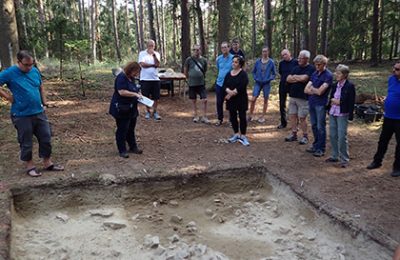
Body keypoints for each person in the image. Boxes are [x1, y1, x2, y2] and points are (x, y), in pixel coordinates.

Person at [0, 50, 64, 177]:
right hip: (21, 114)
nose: (29, 67)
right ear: (18, 62)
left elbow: (40, 86)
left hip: (39, 112)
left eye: (31, 64)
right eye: (26, 65)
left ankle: (47, 163)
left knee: (46, 137)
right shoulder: (9, 73)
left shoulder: (34, 71)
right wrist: (8, 97)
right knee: (26, 141)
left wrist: (44, 102)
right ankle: (30, 166)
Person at [367, 61, 400, 177]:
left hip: (399, 119)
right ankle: (377, 161)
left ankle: (397, 167)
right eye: (394, 68)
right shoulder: (392, 79)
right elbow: (392, 93)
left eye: (397, 69)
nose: (394, 71)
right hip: (388, 117)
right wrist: (386, 99)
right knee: (382, 141)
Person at [109, 61, 143, 158]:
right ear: (130, 70)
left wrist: (139, 93)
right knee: (122, 129)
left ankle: (133, 146)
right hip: (122, 108)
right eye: (135, 72)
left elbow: (135, 88)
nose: (136, 74)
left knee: (131, 128)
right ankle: (122, 150)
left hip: (132, 108)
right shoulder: (121, 77)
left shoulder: (131, 78)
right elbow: (122, 92)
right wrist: (135, 94)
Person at [325, 64, 355, 167]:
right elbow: (331, 97)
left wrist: (339, 102)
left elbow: (351, 101)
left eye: (338, 73)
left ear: (345, 74)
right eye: (336, 72)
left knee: (342, 136)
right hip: (333, 112)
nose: (336, 75)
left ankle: (344, 159)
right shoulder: (334, 85)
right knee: (333, 135)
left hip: (343, 113)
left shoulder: (350, 86)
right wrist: (330, 105)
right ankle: (334, 155)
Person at [304, 55, 333, 157]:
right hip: (312, 103)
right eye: (315, 64)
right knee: (314, 125)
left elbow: (321, 92)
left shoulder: (328, 75)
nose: (317, 66)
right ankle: (315, 145)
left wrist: (313, 90)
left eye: (319, 65)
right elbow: (306, 89)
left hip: (320, 104)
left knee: (321, 126)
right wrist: (314, 90)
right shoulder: (314, 73)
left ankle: (321, 148)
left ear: (324, 64)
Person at [285, 50, 315, 145]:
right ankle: (294, 134)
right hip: (293, 96)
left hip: (303, 98)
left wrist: (295, 77)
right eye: (298, 57)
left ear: (306, 59)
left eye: (301, 58)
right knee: (292, 115)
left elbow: (305, 78)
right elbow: (288, 79)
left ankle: (305, 136)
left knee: (302, 117)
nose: (298, 59)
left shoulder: (311, 68)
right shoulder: (295, 68)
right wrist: (297, 78)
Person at [223, 55, 250, 146]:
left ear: (240, 64)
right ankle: (236, 134)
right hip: (231, 101)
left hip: (241, 99)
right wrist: (228, 91)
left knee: (242, 117)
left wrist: (231, 93)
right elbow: (224, 85)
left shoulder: (243, 74)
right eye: (233, 61)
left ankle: (243, 136)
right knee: (233, 117)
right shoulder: (228, 74)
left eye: (236, 62)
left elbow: (242, 86)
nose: (233, 63)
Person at [248, 46, 276, 123]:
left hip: (266, 83)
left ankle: (263, 116)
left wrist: (269, 79)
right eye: (263, 51)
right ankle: (250, 115)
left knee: (265, 99)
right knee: (253, 99)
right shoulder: (258, 61)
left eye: (266, 51)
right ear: (261, 52)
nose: (264, 53)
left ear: (268, 52)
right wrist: (255, 78)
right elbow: (253, 72)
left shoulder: (271, 62)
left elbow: (274, 73)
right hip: (258, 82)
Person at [183, 44, 209, 124]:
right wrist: (187, 78)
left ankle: (204, 116)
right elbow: (185, 69)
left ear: (200, 50)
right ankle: (196, 115)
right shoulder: (189, 60)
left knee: (204, 100)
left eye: (198, 50)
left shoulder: (204, 60)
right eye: (194, 50)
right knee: (193, 100)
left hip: (201, 83)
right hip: (192, 83)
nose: (196, 51)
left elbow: (205, 70)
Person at [138, 39, 161, 121]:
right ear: (147, 45)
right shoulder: (142, 54)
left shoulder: (156, 54)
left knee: (156, 97)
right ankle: (148, 111)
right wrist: (152, 65)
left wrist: (154, 56)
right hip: (145, 79)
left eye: (153, 45)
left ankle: (155, 111)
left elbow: (157, 64)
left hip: (155, 79)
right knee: (145, 96)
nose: (151, 47)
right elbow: (142, 64)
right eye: (150, 45)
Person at [277, 49, 298, 129]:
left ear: (290, 53)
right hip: (283, 85)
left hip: (293, 85)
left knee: (294, 104)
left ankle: (295, 124)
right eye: (282, 55)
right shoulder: (281, 63)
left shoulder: (295, 62)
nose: (284, 56)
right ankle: (283, 123)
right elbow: (280, 72)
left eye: (285, 54)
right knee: (282, 104)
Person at [215, 42, 234, 126]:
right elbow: (219, 69)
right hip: (219, 84)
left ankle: (231, 120)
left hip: (230, 84)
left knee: (231, 102)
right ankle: (220, 119)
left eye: (225, 47)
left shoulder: (233, 58)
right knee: (219, 102)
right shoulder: (218, 59)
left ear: (229, 48)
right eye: (222, 47)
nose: (224, 49)